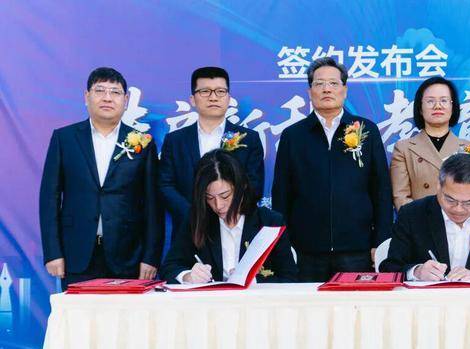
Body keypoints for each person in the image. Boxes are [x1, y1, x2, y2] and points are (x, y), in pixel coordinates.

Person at [39, 67, 163, 289]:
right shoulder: (64, 138)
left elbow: (153, 204)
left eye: (115, 92)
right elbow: (49, 198)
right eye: (100, 90)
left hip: (128, 256)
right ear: (87, 96)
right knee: (79, 312)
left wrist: (150, 257)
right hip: (76, 255)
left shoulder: (143, 142)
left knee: (124, 313)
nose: (107, 98)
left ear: (126, 100)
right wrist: (53, 252)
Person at [272, 57, 392, 281]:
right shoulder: (293, 136)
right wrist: (284, 244)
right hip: (306, 250)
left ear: (344, 90)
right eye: (319, 84)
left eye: (333, 83)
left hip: (357, 248)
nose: (326, 89)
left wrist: (381, 241)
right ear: (309, 92)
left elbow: (381, 191)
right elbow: (281, 195)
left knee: (355, 303)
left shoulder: (366, 130)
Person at [160, 150, 297, 284]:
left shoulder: (269, 222)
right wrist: (188, 276)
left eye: (225, 196)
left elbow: (289, 278)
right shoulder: (197, 220)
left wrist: (254, 282)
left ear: (242, 187)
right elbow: (169, 267)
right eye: (209, 198)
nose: (218, 205)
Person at [159, 66, 264, 236]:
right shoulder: (175, 140)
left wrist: (228, 210)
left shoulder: (249, 139)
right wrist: (193, 214)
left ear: (229, 97)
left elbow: (254, 185)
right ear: (193, 99)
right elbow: (165, 185)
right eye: (205, 91)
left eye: (220, 91)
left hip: (235, 228)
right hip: (189, 230)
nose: (213, 97)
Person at [380, 154, 470, 280]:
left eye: (469, 202)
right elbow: (389, 269)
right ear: (438, 186)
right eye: (450, 200)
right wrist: (416, 272)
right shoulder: (412, 215)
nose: (458, 209)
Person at [390, 76, 470, 211]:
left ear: (453, 107)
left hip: (460, 219)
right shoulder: (404, 148)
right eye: (430, 101)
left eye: (444, 100)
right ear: (420, 108)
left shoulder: (469, 148)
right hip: (419, 221)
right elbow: (400, 197)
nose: (437, 106)